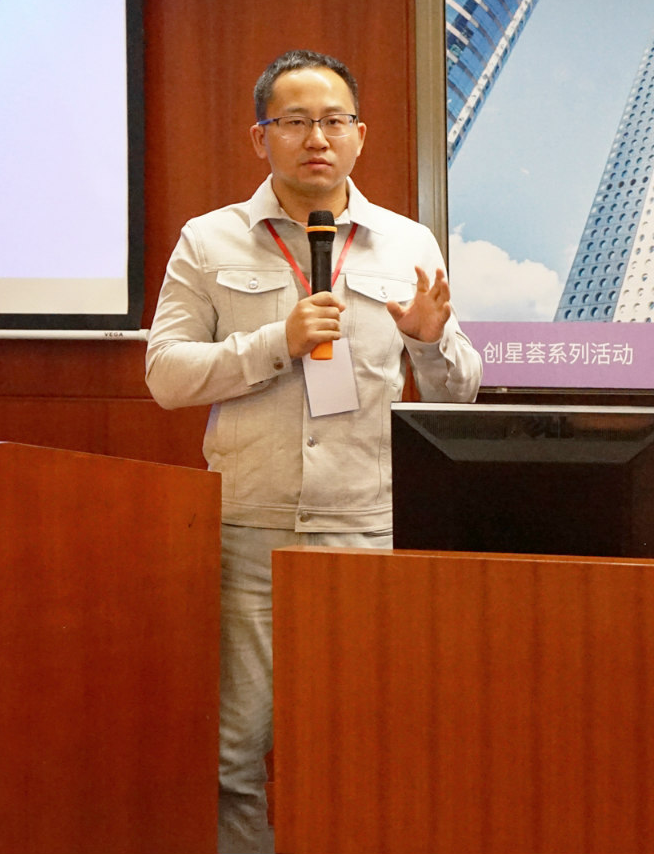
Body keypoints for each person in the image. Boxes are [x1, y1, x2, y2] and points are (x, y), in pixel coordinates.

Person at [145, 50, 482, 853]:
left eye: (333, 121)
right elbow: (166, 375)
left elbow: (459, 396)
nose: (316, 139)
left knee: (364, 747)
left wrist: (429, 343)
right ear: (259, 136)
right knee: (231, 756)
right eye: (294, 121)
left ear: (361, 134)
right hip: (248, 534)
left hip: (366, 531)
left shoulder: (406, 242)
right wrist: (276, 342)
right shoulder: (210, 240)